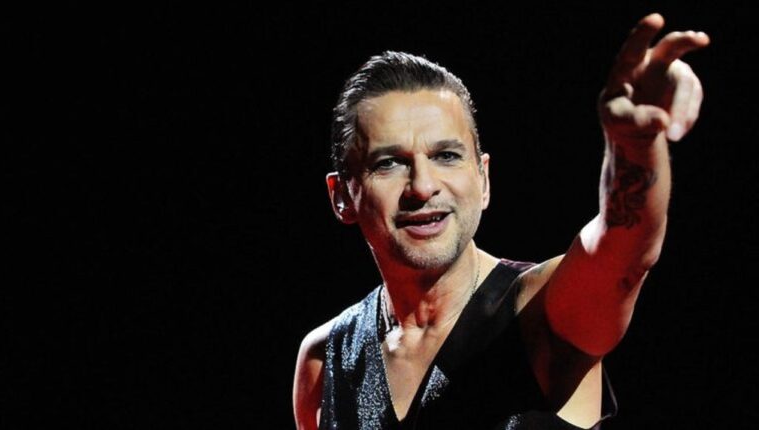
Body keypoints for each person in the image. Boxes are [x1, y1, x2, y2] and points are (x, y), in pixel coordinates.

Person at [293, 13, 709, 430]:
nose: (422, 186)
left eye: (446, 156)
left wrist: (634, 146)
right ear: (341, 196)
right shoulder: (324, 359)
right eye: (388, 163)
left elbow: (621, 253)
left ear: (484, 179)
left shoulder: (539, 314)